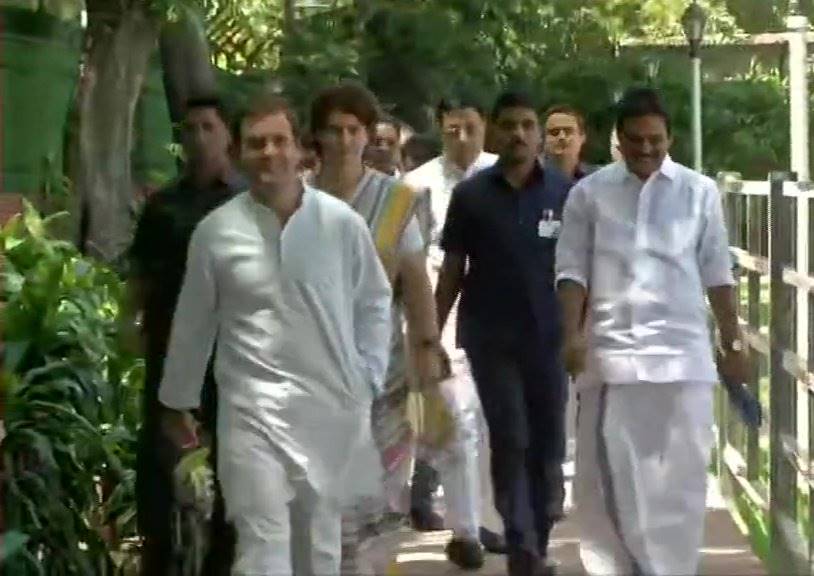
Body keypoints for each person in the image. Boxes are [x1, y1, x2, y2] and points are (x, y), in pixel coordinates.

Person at [157, 92, 393, 576]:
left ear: (299, 149)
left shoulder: (340, 224)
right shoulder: (216, 232)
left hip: (329, 411)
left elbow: (375, 302)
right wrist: (177, 401)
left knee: (318, 548)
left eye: (278, 141)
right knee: (262, 543)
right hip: (250, 414)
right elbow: (194, 320)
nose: (269, 153)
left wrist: (369, 375)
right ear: (240, 152)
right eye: (256, 143)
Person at [556, 87, 748, 576]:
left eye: (655, 140)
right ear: (618, 139)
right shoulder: (588, 194)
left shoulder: (698, 192)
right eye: (635, 140)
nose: (646, 149)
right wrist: (572, 335)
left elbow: (717, 272)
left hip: (683, 359)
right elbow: (572, 271)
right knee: (608, 484)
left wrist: (733, 340)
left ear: (671, 138)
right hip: (613, 360)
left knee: (680, 485)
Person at [306, 82, 471, 571]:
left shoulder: (397, 202)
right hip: (310, 377)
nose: (342, 140)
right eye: (331, 130)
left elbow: (417, 285)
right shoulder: (295, 200)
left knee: (373, 508)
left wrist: (427, 356)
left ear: (367, 135)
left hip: (384, 381)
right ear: (315, 137)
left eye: (352, 129)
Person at [435, 91, 572, 576]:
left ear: (537, 134)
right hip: (490, 338)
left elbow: (582, 272)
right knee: (510, 437)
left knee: (548, 445)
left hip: (549, 338)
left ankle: (538, 536)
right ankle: (521, 547)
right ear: (496, 132)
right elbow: (452, 268)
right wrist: (431, 337)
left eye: (527, 125)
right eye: (509, 125)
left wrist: (584, 333)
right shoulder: (471, 196)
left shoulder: (564, 192)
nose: (518, 134)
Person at [130, 95, 244, 576]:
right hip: (167, 349)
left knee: (232, 470)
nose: (198, 137)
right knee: (158, 469)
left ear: (227, 136)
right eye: (189, 128)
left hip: (230, 357)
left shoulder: (244, 202)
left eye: (208, 127)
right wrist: (126, 327)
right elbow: (139, 280)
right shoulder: (163, 207)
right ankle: (159, 559)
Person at [404, 95, 506, 556]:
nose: (461, 138)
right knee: (458, 420)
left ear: (484, 127)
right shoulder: (415, 185)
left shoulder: (507, 175)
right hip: (439, 315)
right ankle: (466, 531)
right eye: (451, 130)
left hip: (497, 312)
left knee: (491, 423)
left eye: (469, 128)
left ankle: (491, 519)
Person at [542, 105, 593, 183]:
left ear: (582, 137)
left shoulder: (597, 179)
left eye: (568, 131)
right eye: (554, 132)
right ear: (543, 139)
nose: (561, 137)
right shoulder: (529, 180)